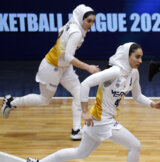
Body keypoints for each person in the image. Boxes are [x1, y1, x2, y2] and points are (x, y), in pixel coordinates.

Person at [25, 42, 160, 162]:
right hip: (101, 120)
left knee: (80, 153)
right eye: (137, 57)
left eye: (141, 57)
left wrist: (153, 104)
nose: (140, 60)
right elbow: (86, 83)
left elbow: (138, 95)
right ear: (127, 56)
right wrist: (85, 111)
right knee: (135, 146)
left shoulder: (133, 73)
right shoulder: (114, 71)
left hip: (101, 120)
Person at [1, 4, 101, 140]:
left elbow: (60, 32)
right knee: (44, 100)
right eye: (88, 21)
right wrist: (88, 67)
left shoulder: (73, 23)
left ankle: (76, 130)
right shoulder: (76, 32)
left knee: (79, 93)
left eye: (93, 21)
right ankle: (11, 102)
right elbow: (68, 57)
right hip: (51, 67)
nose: (91, 24)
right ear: (80, 18)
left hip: (64, 67)